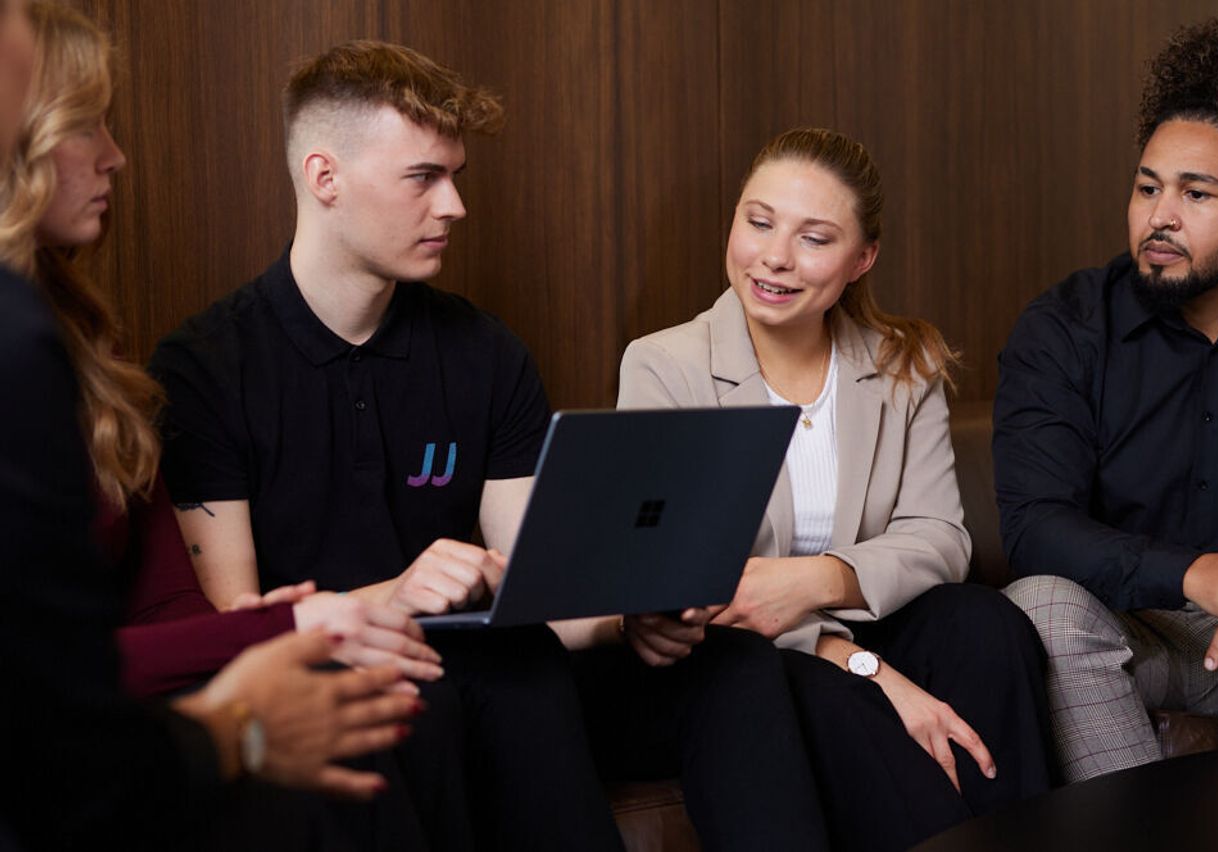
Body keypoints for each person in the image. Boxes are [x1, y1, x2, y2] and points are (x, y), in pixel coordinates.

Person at [150, 38, 828, 851]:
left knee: (713, 666)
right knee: (449, 691)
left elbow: (543, 591)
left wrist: (626, 620)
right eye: (422, 179)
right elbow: (233, 626)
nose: (454, 207)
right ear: (324, 179)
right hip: (340, 672)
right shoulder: (207, 365)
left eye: (455, 177)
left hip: (492, 667)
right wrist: (392, 598)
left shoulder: (482, 352)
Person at [0, 3, 417, 850]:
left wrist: (306, 631)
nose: (117, 154)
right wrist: (288, 637)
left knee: (376, 727)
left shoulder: (83, 344)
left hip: (110, 733)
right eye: (88, 125)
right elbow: (44, 692)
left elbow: (164, 604)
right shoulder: (19, 347)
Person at [618, 126, 1053, 850]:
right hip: (751, 653)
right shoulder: (665, 367)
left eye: (814, 238)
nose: (775, 257)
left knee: (988, 625)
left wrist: (818, 579)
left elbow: (942, 536)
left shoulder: (901, 361)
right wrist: (863, 663)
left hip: (854, 613)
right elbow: (683, 581)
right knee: (832, 692)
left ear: (862, 258)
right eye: (758, 223)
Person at [997, 9, 1218, 784]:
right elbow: (1035, 530)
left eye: (1196, 194)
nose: (1160, 216)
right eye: (1148, 187)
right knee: (1042, 606)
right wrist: (1199, 576)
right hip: (1134, 634)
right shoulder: (1065, 327)